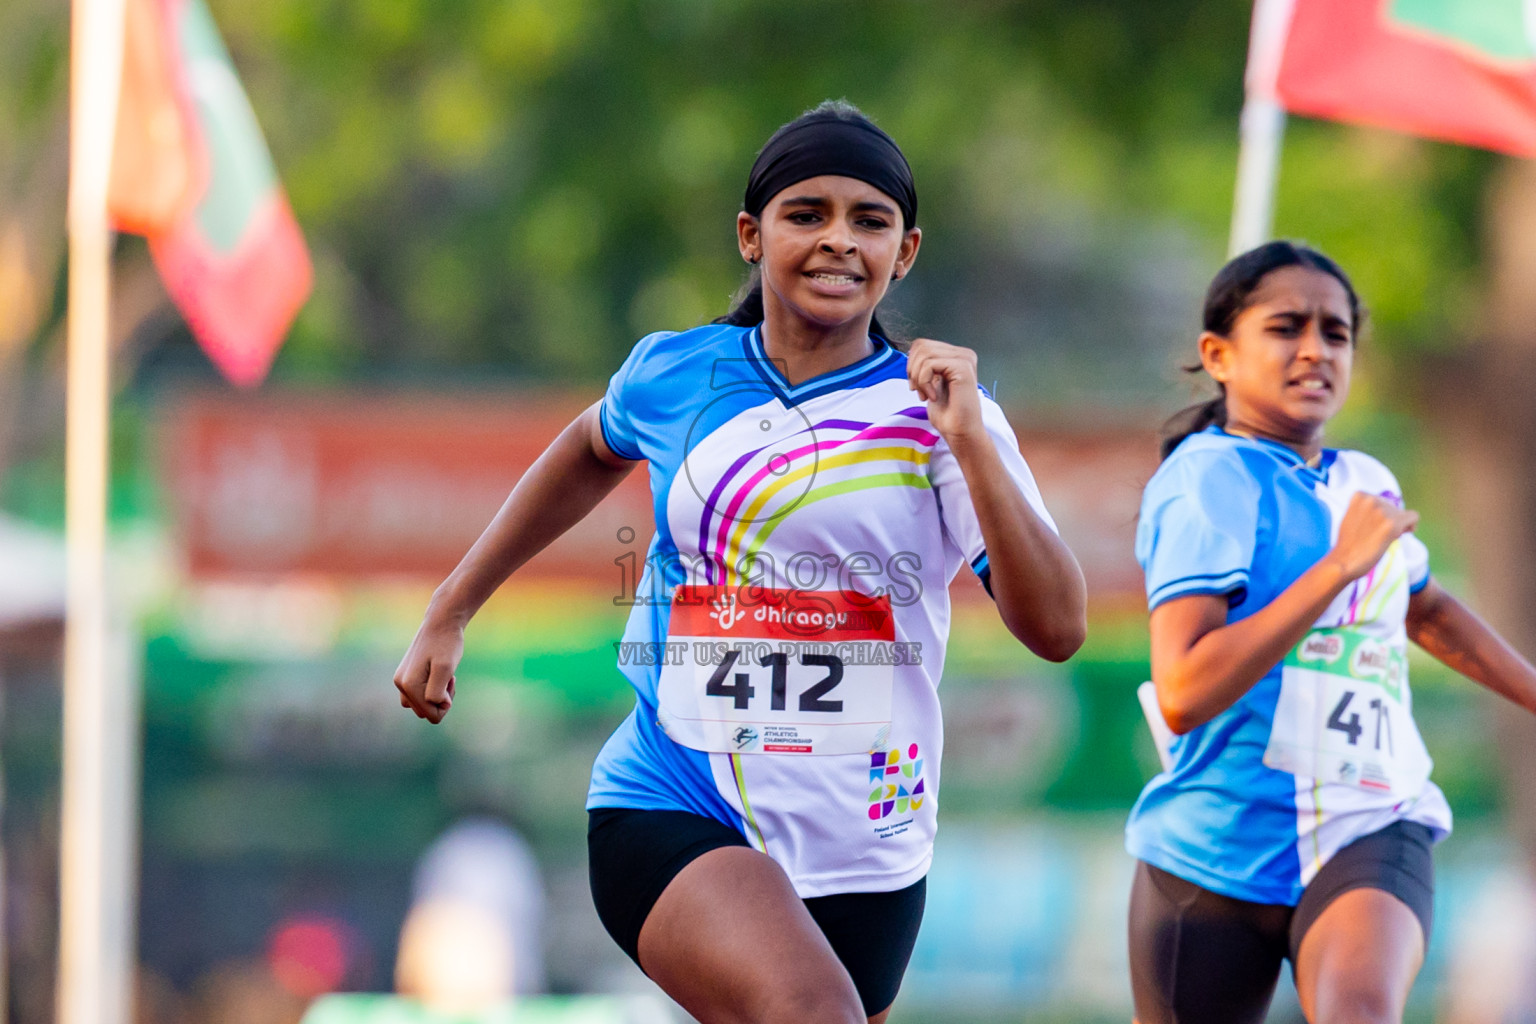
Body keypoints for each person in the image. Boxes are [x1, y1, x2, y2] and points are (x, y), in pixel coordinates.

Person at [394, 100, 1087, 1024]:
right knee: (810, 1013)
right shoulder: (675, 373)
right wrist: (453, 605)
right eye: (808, 214)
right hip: (675, 797)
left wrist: (970, 441)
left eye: (869, 221)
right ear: (751, 236)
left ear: (905, 252)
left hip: (868, 840)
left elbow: (1058, 630)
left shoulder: (942, 416)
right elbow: (588, 452)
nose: (839, 241)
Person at [1127, 240, 1536, 1024]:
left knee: (1359, 1008)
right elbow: (1182, 694)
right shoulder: (1204, 479)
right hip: (1214, 847)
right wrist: (1336, 570)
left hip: (1372, 817)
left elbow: (1428, 608)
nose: (1316, 350)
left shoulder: (1366, 479)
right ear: (1219, 353)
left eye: (1337, 332)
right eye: (1286, 328)